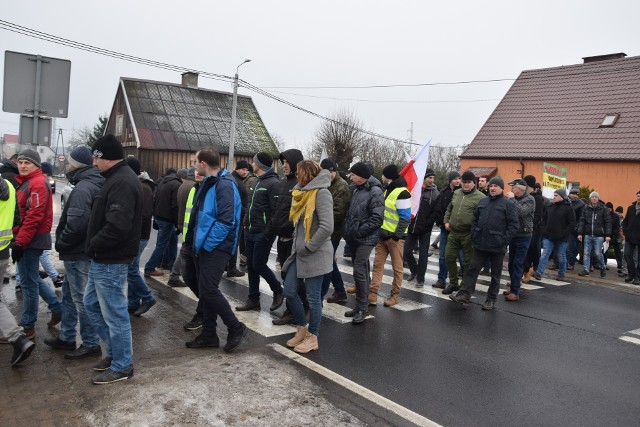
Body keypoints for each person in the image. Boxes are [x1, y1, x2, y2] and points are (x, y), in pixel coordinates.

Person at [84, 134, 142, 384]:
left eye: (96, 159)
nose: (94, 164)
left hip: (110, 260)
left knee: (115, 314)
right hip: (104, 259)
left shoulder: (122, 181)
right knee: (92, 305)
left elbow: (117, 226)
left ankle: (122, 364)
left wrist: (94, 245)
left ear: (104, 157)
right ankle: (116, 353)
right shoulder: (116, 178)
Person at [185, 147, 247, 352]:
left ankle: (235, 327)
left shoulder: (224, 184)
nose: (194, 165)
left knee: (210, 290)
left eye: (196, 161)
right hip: (204, 245)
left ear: (203, 163)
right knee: (205, 290)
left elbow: (226, 220)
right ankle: (209, 334)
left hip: (216, 247)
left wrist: (208, 244)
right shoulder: (211, 182)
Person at [45, 146, 104, 359]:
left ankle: (90, 343)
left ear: (76, 165)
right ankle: (67, 337)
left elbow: (77, 224)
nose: (67, 166)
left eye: (69, 162)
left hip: (77, 252)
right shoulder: (93, 183)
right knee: (70, 295)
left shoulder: (83, 187)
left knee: (81, 299)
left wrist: (62, 242)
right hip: (82, 251)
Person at [282, 161, 333, 353]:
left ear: (308, 174)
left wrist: (310, 246)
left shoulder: (322, 193)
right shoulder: (301, 193)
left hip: (315, 253)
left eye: (299, 173)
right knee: (289, 290)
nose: (296, 176)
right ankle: (302, 328)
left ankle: (313, 336)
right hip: (300, 252)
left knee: (313, 298)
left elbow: (327, 226)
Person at [12, 148, 62, 339]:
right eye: (20, 162)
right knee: (31, 278)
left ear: (36, 165)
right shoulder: (27, 182)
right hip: (27, 238)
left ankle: (27, 326)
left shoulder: (37, 184)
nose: (23, 166)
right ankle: (57, 307)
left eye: (27, 163)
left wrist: (20, 243)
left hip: (30, 240)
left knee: (28, 284)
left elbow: (34, 217)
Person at [449, 176, 518, 309]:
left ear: (501, 188)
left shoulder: (508, 204)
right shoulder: (483, 201)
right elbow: (475, 219)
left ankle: (490, 299)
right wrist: (475, 233)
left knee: (495, 275)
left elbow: (514, 225)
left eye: (495, 186)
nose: (492, 188)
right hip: (480, 244)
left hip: (497, 246)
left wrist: (504, 240)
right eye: (491, 186)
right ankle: (464, 294)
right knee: (472, 270)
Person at [236, 152, 284, 312]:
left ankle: (278, 290)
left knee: (258, 264)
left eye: (254, 162)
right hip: (250, 229)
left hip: (262, 232)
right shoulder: (257, 181)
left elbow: (275, 212)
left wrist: (267, 233)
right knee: (251, 265)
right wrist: (245, 224)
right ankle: (253, 299)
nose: (252, 164)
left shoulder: (273, 183)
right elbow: (251, 206)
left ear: (260, 165)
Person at [0, 172, 36, 366]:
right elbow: (16, 220)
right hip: (2, 252)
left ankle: (18, 339)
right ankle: (18, 339)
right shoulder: (8, 185)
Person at [342, 162, 384, 324]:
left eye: (353, 174)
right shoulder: (356, 189)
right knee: (361, 271)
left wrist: (358, 231)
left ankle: (363, 308)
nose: (351, 177)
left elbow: (376, 218)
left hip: (366, 238)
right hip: (354, 236)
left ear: (361, 176)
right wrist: (349, 231)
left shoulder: (375, 191)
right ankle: (359, 306)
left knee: (359, 270)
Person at [267, 149, 304, 324]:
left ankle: (292, 312)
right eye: (283, 163)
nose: (284, 165)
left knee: (292, 279)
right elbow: (276, 208)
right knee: (285, 274)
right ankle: (303, 306)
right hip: (280, 238)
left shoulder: (301, 184)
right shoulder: (282, 183)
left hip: (293, 240)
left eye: (287, 162)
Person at [368, 164, 412, 306]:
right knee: (377, 265)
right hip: (382, 236)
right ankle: (373, 294)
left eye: (383, 174)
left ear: (387, 176)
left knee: (397, 269)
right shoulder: (388, 190)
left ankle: (395, 296)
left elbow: (405, 218)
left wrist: (396, 237)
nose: (381, 177)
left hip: (395, 239)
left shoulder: (402, 192)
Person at [442, 171, 486, 295]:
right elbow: (449, 208)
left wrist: (475, 230)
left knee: (468, 263)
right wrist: (446, 221)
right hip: (454, 232)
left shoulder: (480, 197)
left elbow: (482, 216)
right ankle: (453, 283)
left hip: (468, 234)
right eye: (464, 182)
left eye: (468, 182)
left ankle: (464, 287)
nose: (466, 185)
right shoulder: (456, 193)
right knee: (449, 256)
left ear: (474, 183)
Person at [125, 157, 157, 316]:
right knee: (132, 268)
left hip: (139, 235)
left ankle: (147, 297)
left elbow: (144, 215)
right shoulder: (137, 184)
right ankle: (132, 302)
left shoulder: (143, 187)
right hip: (136, 234)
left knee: (130, 269)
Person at [320, 159, 351, 303]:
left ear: (335, 171)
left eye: (331, 172)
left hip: (333, 232)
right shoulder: (325, 183)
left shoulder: (342, 187)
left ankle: (326, 292)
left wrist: (320, 221)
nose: (328, 175)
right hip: (325, 230)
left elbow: (338, 212)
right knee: (328, 261)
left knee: (327, 262)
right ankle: (339, 290)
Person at [144, 167, 182, 277]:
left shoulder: (162, 182)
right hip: (168, 219)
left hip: (160, 217)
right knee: (162, 244)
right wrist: (177, 223)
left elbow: (155, 199)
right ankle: (150, 267)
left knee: (172, 241)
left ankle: (170, 265)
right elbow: (175, 206)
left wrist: (156, 217)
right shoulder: (176, 185)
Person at [404, 168, 439, 287]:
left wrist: (428, 222)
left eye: (433, 178)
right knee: (407, 251)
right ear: (423, 178)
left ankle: (420, 279)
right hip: (412, 226)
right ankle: (414, 270)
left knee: (423, 255)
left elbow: (436, 211)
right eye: (430, 177)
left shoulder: (434, 193)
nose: (432, 180)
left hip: (425, 228)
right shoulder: (414, 189)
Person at [534, 189, 576, 281]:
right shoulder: (550, 206)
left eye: (556, 195)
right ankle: (539, 272)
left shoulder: (568, 208)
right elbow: (543, 219)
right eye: (554, 195)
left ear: (562, 196)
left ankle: (561, 273)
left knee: (561, 256)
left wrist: (564, 234)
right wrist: (544, 230)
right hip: (548, 236)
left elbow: (572, 224)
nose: (554, 197)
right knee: (545, 254)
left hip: (562, 238)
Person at [504, 178, 535, 299]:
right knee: (511, 263)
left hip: (524, 235)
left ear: (520, 189)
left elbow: (521, 212)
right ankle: (513, 287)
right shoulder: (514, 199)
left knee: (518, 263)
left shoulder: (530, 199)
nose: (511, 190)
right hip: (513, 234)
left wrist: (511, 199)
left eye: (513, 188)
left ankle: (515, 292)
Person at [431, 171, 462, 289]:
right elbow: (439, 209)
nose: (458, 181)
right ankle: (441, 279)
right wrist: (442, 223)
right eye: (456, 179)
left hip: (458, 231)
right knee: (442, 255)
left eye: (459, 179)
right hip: (445, 229)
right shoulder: (444, 192)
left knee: (461, 256)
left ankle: (465, 281)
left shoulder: (462, 193)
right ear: (450, 180)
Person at [168, 166, 196, 287]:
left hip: (182, 222)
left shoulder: (183, 185)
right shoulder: (193, 187)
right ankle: (174, 275)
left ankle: (175, 274)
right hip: (189, 224)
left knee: (186, 249)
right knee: (186, 250)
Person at [577, 192, 611, 278]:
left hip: (599, 235)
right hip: (588, 234)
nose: (594, 198)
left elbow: (608, 222)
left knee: (598, 253)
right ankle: (586, 269)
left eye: (596, 197)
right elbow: (582, 221)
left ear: (598, 198)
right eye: (592, 197)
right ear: (590, 198)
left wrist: (607, 234)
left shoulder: (603, 208)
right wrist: (580, 233)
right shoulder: (586, 208)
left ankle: (602, 267)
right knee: (586, 253)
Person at [226, 162, 249, 278]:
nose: (245, 172)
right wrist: (246, 211)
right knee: (234, 243)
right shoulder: (237, 181)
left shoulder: (234, 179)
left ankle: (227, 265)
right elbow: (237, 202)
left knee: (231, 242)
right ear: (238, 169)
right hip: (237, 217)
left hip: (235, 216)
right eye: (243, 169)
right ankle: (231, 268)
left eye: (247, 170)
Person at [522, 176, 547, 283]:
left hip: (533, 230)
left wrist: (531, 226)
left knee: (527, 251)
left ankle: (528, 270)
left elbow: (538, 216)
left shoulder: (538, 198)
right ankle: (522, 274)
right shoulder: (524, 196)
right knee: (523, 252)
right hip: (522, 229)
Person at [622, 191, 640, 285]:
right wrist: (625, 231)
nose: (639, 197)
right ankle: (631, 274)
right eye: (638, 196)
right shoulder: (631, 208)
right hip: (630, 236)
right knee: (627, 255)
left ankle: (638, 277)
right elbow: (625, 221)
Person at [567, 188, 586, 270]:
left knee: (572, 247)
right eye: (573, 194)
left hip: (574, 230)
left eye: (576, 194)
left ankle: (570, 263)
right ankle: (559, 263)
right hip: (565, 228)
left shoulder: (581, 204)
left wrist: (576, 229)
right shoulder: (566, 201)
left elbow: (581, 219)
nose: (574, 196)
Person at [604, 202, 624, 275]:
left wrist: (613, 235)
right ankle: (604, 264)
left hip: (614, 236)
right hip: (607, 236)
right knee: (605, 250)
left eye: (609, 208)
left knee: (617, 251)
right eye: (607, 208)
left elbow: (617, 226)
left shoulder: (615, 216)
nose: (608, 209)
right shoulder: (604, 214)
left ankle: (620, 264)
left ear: (611, 208)